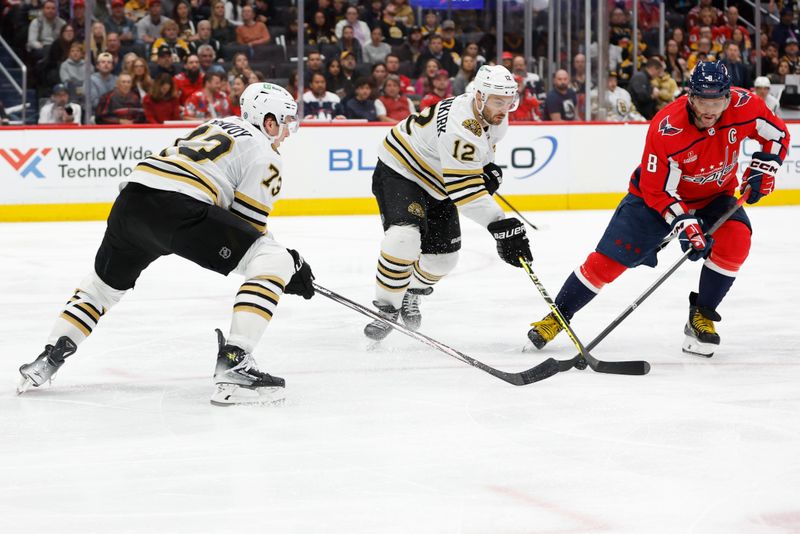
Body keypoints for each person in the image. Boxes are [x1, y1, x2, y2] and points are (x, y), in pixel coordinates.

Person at [18, 83, 315, 406]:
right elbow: (248, 228)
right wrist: (289, 266)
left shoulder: (214, 125)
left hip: (131, 202)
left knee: (100, 289)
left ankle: (48, 358)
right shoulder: (264, 152)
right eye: (286, 122)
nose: (288, 132)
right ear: (268, 121)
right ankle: (235, 363)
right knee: (274, 260)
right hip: (179, 209)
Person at [527, 62, 790, 358]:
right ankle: (558, 315)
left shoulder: (745, 105)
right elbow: (658, 190)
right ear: (690, 96)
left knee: (737, 240)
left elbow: (778, 133)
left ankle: (701, 314)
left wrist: (764, 168)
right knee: (608, 262)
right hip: (652, 200)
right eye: (703, 100)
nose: (709, 110)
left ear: (728, 98)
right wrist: (683, 223)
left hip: (714, 195)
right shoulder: (667, 127)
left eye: (717, 102)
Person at [363, 65, 532, 341]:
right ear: (479, 97)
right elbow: (465, 193)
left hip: (440, 184)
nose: (505, 108)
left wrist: (486, 168)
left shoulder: (496, 117)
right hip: (402, 171)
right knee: (403, 238)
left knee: (444, 260)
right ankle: (386, 307)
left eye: (509, 101)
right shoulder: (460, 126)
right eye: (498, 101)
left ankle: (410, 293)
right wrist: (501, 226)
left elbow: (479, 156)